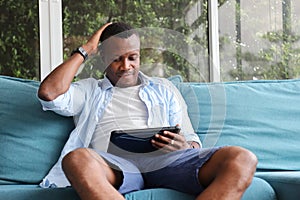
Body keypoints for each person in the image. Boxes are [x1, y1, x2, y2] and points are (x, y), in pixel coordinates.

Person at [38, 22, 258, 200]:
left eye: (132, 57)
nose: (126, 66)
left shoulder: (164, 88)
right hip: (116, 166)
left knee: (243, 159)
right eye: (117, 59)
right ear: (103, 59)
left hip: (169, 161)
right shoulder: (89, 90)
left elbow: (191, 138)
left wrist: (184, 145)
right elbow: (49, 93)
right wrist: (86, 50)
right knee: (76, 159)